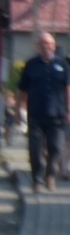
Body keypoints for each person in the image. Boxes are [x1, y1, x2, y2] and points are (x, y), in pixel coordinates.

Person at [20, 31, 68, 192]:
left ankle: (51, 175)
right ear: (37, 47)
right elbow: (23, 89)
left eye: (48, 44)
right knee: (35, 149)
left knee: (56, 148)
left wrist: (69, 110)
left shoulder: (63, 65)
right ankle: (38, 180)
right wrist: (19, 109)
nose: (45, 46)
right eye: (42, 44)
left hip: (57, 114)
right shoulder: (31, 65)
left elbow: (68, 89)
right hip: (36, 114)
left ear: (54, 46)